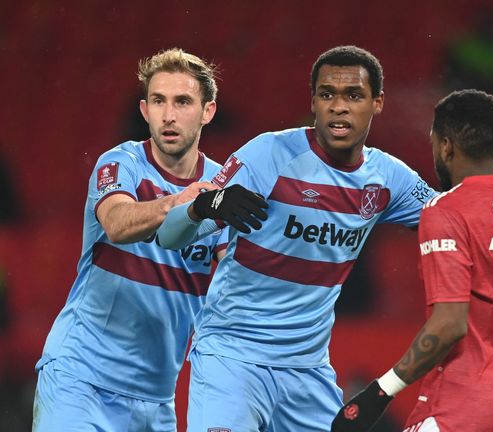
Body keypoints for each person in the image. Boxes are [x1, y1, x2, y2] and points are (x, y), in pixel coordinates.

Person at [155, 45, 437, 431]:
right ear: (314, 102)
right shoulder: (268, 154)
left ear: (378, 103)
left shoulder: (389, 179)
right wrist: (205, 207)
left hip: (307, 370)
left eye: (353, 95)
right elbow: (169, 237)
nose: (339, 106)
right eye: (327, 95)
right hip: (233, 360)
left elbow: (459, 218)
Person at [330, 89, 493, 432]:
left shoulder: (445, 210)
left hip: (460, 412)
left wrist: (378, 394)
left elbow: (449, 324)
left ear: (446, 145)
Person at [32, 48, 236, 432]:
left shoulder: (222, 188)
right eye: (158, 101)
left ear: (208, 111)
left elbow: (235, 280)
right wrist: (182, 202)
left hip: (156, 400)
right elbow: (117, 223)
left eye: (183, 102)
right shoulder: (120, 164)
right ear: (144, 110)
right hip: (80, 379)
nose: (168, 115)